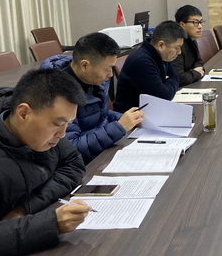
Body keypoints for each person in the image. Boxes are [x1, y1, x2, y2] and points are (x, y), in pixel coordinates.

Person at [0, 69, 92, 256]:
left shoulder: (44, 134)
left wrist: (24, 208)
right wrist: (52, 223)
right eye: (57, 124)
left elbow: (74, 164)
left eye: (68, 124)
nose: (62, 134)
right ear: (23, 113)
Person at [40, 32, 145, 163]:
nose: (111, 75)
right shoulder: (58, 95)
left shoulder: (94, 81)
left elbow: (99, 114)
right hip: (83, 164)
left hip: (102, 151)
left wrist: (127, 119)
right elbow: (73, 148)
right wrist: (119, 127)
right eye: (108, 69)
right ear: (84, 65)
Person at [113, 20, 186, 112]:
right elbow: (163, 96)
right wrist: (170, 81)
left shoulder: (162, 55)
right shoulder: (142, 61)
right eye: (177, 48)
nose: (179, 52)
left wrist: (168, 82)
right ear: (161, 45)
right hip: (131, 116)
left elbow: (176, 77)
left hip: (151, 110)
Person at [172, 4, 206, 86]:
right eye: (195, 22)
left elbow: (199, 61)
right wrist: (197, 73)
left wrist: (197, 70)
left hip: (190, 83)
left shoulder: (191, 39)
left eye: (201, 22)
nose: (200, 26)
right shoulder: (176, 45)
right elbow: (179, 78)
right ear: (182, 24)